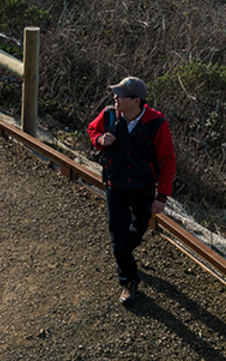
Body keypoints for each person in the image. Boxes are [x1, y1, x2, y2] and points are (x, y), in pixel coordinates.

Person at [88, 75, 176, 306]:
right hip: (115, 185)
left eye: (120, 95)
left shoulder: (157, 123)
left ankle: (124, 253)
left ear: (136, 100)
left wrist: (162, 197)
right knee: (118, 239)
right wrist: (99, 140)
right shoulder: (108, 114)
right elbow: (91, 131)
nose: (115, 98)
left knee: (137, 229)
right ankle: (129, 280)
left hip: (143, 188)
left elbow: (168, 160)